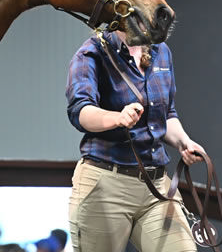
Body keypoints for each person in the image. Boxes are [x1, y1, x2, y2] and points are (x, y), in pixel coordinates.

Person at [65, 30, 204, 252]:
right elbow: (80, 111)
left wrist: (184, 142)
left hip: (156, 185)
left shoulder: (161, 52)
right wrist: (117, 118)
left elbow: (167, 114)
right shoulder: (91, 53)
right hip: (106, 183)